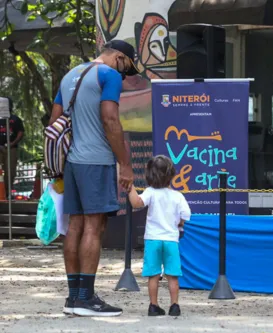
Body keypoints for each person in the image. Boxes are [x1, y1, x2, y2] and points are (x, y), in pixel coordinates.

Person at [49, 40, 138, 317]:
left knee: (74, 225)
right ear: (120, 58)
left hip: (73, 162)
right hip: (96, 160)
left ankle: (74, 297)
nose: (123, 77)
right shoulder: (108, 75)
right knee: (94, 226)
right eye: (127, 70)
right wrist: (125, 163)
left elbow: (55, 120)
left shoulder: (70, 75)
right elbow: (110, 119)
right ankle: (87, 299)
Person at [127, 155, 190, 317]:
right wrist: (180, 223)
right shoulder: (178, 196)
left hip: (153, 239)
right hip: (171, 240)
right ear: (171, 174)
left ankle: (153, 306)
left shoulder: (150, 192)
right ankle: (174, 305)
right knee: (173, 275)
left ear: (149, 175)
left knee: (153, 275)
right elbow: (185, 214)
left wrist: (130, 186)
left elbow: (136, 203)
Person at [0, 97, 24, 198]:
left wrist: (13, 143)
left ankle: (7, 193)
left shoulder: (15, 119)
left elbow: (21, 132)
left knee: (10, 172)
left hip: (11, 148)